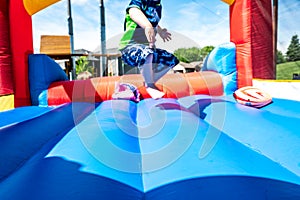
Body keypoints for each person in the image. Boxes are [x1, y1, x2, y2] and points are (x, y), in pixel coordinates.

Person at [119, 0, 179, 99]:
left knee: (171, 59)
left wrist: (160, 31)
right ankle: (149, 85)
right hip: (130, 48)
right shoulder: (140, 1)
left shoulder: (158, 5)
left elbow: (154, 21)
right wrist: (147, 26)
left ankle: (148, 80)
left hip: (148, 50)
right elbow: (133, 11)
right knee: (147, 53)